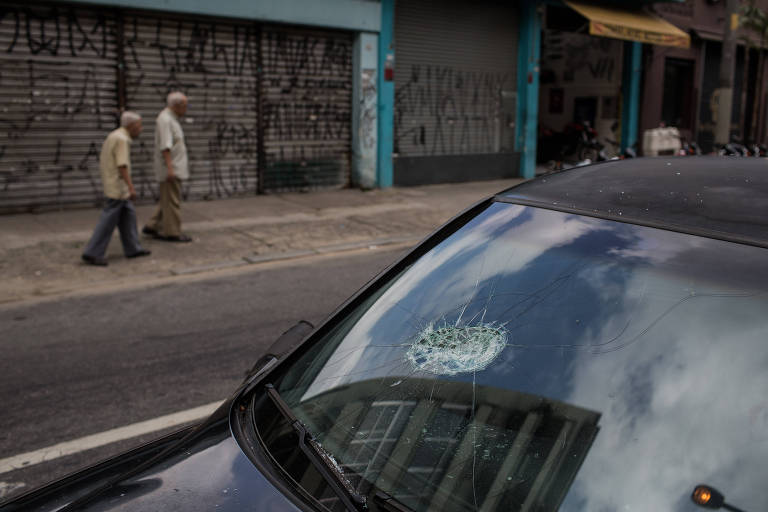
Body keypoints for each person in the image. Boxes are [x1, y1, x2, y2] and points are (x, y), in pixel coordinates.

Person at [81, 111, 151, 266]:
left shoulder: (114, 135)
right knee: (108, 220)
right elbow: (122, 165)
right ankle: (92, 252)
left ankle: (133, 248)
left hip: (113, 184)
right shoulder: (122, 139)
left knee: (128, 216)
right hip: (118, 187)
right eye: (139, 126)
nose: (141, 129)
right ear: (131, 125)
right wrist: (131, 187)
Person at [142, 91, 192, 242]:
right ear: (177, 105)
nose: (186, 108)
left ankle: (152, 225)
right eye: (185, 105)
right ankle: (172, 232)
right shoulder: (165, 120)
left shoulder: (171, 118)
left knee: (167, 199)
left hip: (174, 167)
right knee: (172, 201)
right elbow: (165, 146)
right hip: (171, 169)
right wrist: (170, 169)